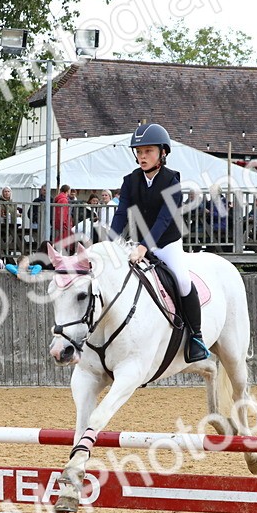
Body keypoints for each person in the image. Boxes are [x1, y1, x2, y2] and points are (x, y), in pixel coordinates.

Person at [109, 122, 208, 363]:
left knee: (182, 281)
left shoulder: (172, 180)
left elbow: (164, 219)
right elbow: (121, 214)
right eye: (139, 152)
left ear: (162, 153)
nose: (142, 156)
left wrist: (145, 246)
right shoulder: (130, 180)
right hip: (137, 243)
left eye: (148, 151)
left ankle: (196, 336)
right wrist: (109, 242)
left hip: (166, 244)